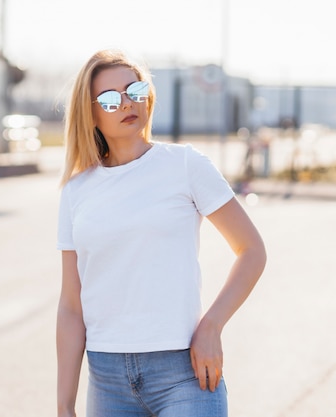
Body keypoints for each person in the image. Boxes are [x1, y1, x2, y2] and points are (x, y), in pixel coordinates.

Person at [56, 49, 267, 417]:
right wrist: (64, 403)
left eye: (134, 91)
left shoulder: (185, 165)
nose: (126, 103)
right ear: (89, 114)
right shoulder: (76, 191)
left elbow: (251, 250)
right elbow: (72, 306)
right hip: (107, 380)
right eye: (109, 99)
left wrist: (211, 326)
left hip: (185, 372)